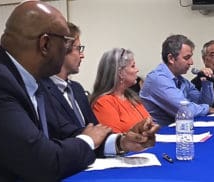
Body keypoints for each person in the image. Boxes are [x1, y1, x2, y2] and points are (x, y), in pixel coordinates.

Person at [0, 2, 117, 181]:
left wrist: (118, 142)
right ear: (45, 44)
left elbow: (61, 132)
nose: (70, 49)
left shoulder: (31, 79)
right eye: (66, 41)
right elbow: (43, 162)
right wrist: (88, 141)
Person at [40, 23, 160, 158]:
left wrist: (123, 142)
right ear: (61, 50)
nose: (82, 55)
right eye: (79, 49)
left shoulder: (76, 89)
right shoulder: (39, 92)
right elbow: (68, 138)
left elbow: (97, 135)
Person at [140, 34, 214, 126]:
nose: (191, 62)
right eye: (187, 58)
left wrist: (207, 82)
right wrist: (210, 110)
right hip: (159, 134)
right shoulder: (157, 79)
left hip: (178, 130)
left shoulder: (181, 80)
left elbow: (203, 103)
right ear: (171, 58)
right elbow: (185, 111)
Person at [90, 48, 153, 133]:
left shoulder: (131, 96)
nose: (137, 70)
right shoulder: (103, 103)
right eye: (133, 66)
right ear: (120, 73)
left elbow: (150, 123)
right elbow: (115, 140)